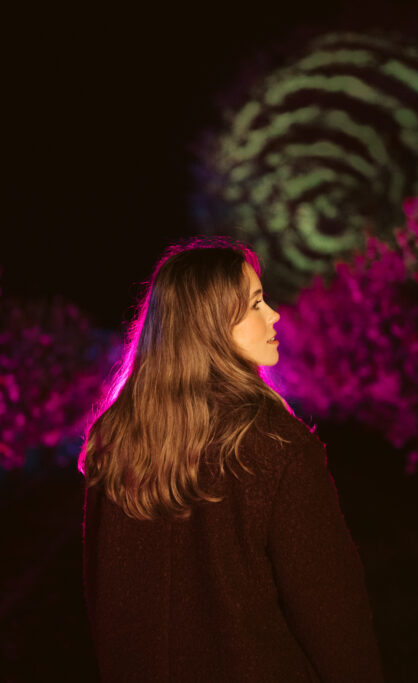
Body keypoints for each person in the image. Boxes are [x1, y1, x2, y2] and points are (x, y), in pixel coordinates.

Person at [81, 238, 384, 682]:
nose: (273, 315)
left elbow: (101, 595)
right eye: (256, 304)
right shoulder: (276, 445)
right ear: (212, 326)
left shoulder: (113, 439)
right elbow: (332, 613)